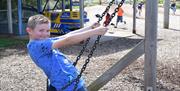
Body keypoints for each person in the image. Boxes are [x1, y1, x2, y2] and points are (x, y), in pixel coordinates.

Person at [26, 14, 108, 91]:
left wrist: (90, 27)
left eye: (47, 30)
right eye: (41, 30)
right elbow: (68, 40)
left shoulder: (44, 42)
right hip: (67, 86)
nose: (45, 34)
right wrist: (95, 32)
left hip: (66, 82)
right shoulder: (36, 46)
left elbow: (67, 35)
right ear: (29, 30)